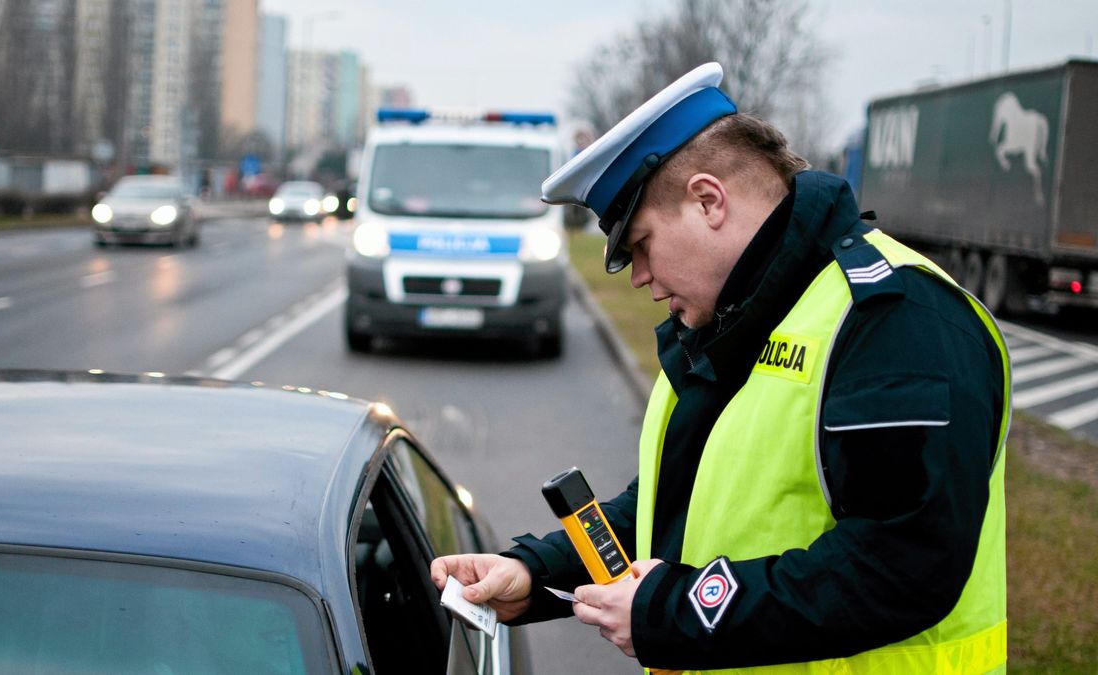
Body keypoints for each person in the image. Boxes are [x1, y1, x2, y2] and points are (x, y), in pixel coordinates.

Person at [429, 62, 1010, 673]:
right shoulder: (745, 314)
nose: (642, 278)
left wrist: (674, 611)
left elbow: (901, 563)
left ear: (709, 200)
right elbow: (674, 507)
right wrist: (534, 570)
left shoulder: (896, 321)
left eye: (642, 246)